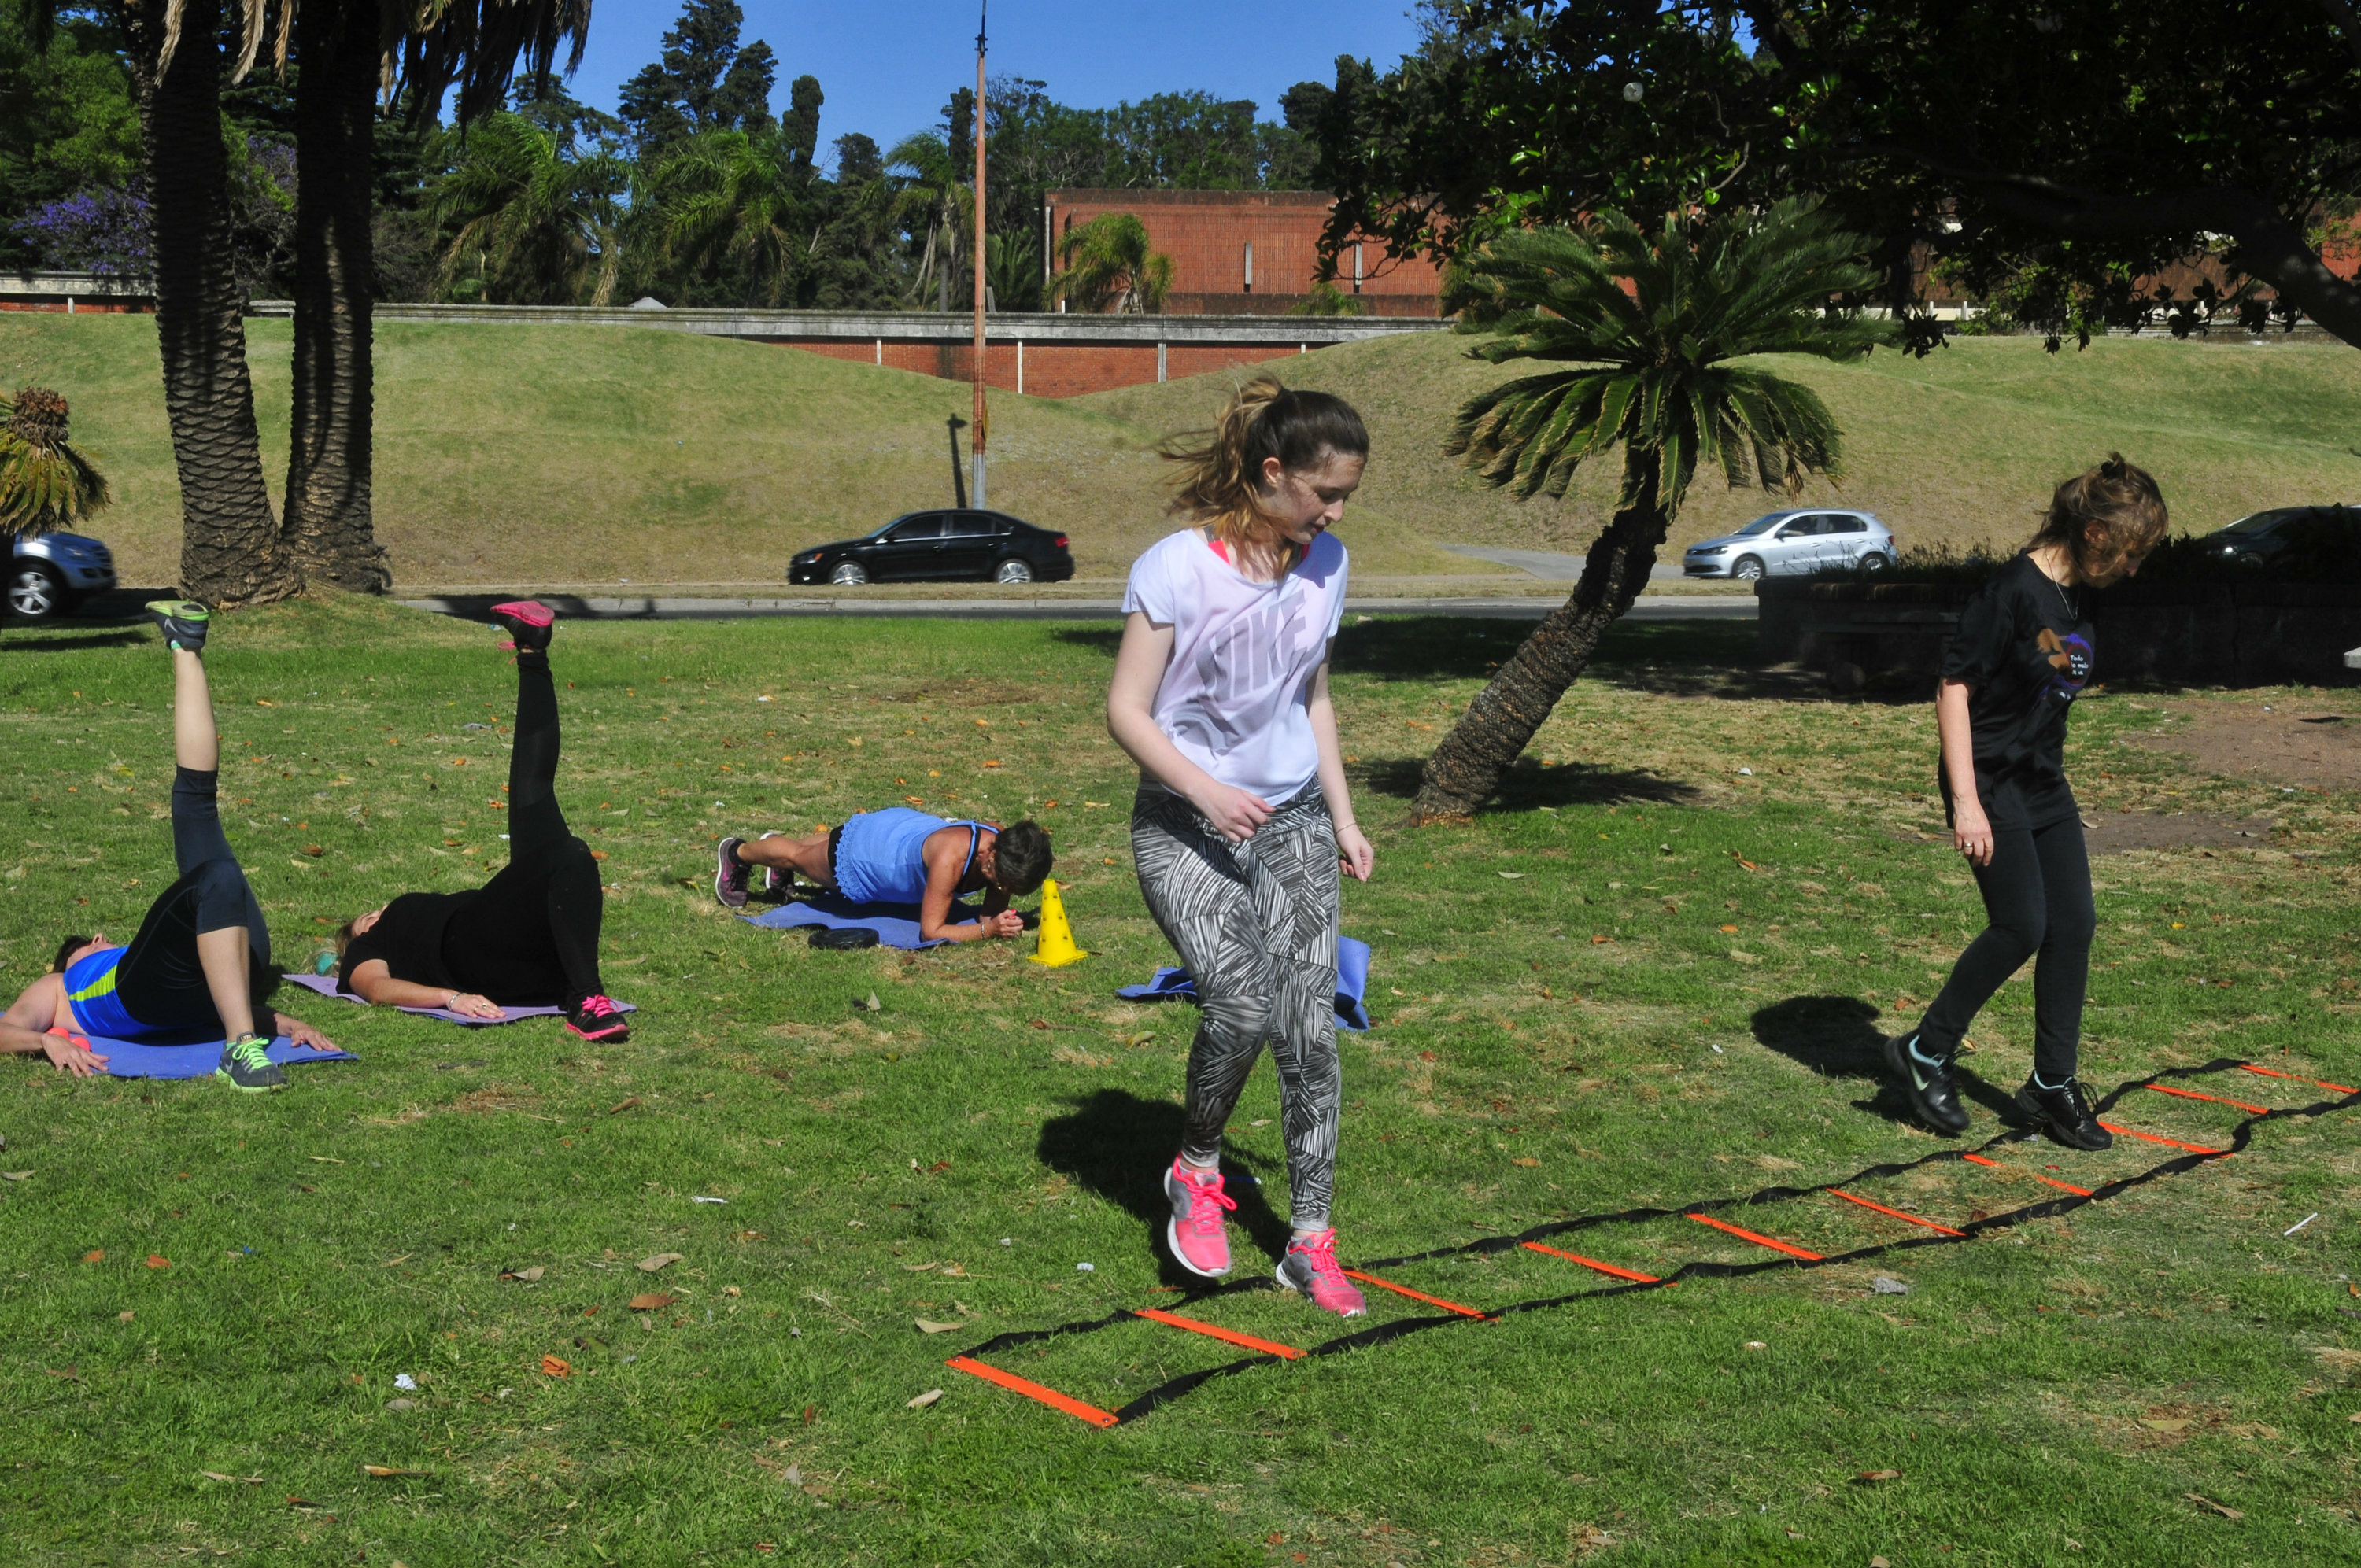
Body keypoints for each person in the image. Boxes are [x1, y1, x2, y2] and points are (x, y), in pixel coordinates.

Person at [1106, 375, 1376, 1318]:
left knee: (1312, 1027)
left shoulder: (1327, 563)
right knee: (1243, 1001)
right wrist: (1205, 790)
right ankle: (1198, 1165)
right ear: (1271, 473)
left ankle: (1311, 1241)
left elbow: (1314, 696)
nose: (1335, 513)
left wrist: (1342, 817)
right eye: (1323, 493)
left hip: (1293, 815)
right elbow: (1125, 711)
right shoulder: (1177, 566)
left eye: (1345, 496)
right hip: (1184, 819)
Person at [1886, 455, 2167, 1149]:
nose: (2135, 570)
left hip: (2043, 782)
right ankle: (1925, 1049)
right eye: (2132, 554)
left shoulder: (2082, 594)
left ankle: (2050, 1083)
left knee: (2074, 923)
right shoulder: (2010, 590)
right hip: (1989, 782)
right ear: (2096, 533)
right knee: (2022, 924)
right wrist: (1967, 802)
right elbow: (1954, 687)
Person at [0, 602, 337, 1088]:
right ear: (92, 950)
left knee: (199, 812)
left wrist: (286, 1024)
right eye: (83, 949)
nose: (95, 944)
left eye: (88, 947)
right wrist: (47, 1039)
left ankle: (185, 647)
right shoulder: (58, 988)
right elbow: (7, 1028)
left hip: (211, 980)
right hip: (143, 993)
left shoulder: (136, 959)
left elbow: (208, 1007)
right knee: (216, 876)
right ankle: (240, 1050)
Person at [332, 603, 632, 1042]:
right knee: (568, 851)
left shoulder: (415, 915)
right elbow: (378, 989)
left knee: (538, 800)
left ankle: (531, 651)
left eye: (371, 914)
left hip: (508, 933)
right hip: (469, 953)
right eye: (365, 919)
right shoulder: (368, 947)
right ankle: (588, 998)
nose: (374, 915)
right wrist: (449, 998)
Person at [711, 812, 1051, 944]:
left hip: (899, 831)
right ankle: (738, 854)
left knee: (809, 850)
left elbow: (991, 909)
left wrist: (993, 918)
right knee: (798, 857)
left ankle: (776, 856)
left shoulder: (1005, 846)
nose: (1003, 890)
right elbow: (931, 930)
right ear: (991, 854)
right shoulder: (952, 858)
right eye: (1003, 881)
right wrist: (986, 931)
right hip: (867, 855)